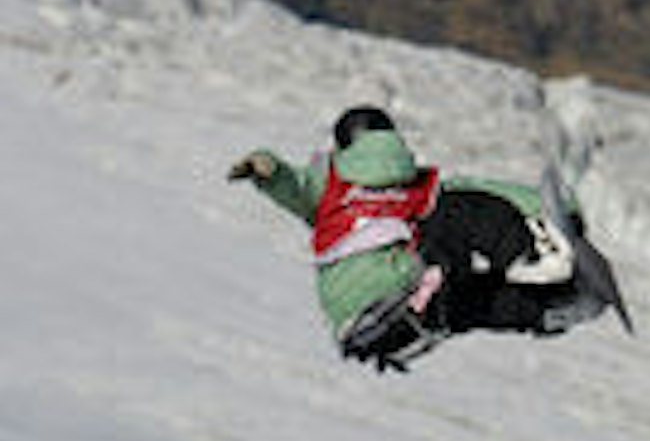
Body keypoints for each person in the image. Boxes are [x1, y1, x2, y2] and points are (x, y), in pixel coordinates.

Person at [228, 104, 596, 368]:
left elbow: (291, 185)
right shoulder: (424, 188)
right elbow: (491, 194)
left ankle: (551, 311)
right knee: (461, 212)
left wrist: (266, 168)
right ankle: (534, 264)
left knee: (459, 300)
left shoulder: (326, 188)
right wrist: (560, 211)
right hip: (397, 290)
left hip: (361, 327)